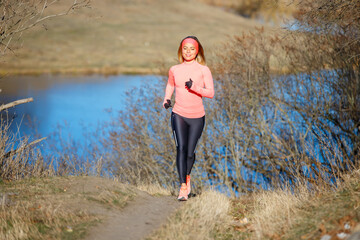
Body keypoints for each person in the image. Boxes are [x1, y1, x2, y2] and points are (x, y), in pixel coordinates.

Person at [163, 36, 214, 201]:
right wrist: (167, 99)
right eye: (185, 48)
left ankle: (187, 176)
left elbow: (211, 93)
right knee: (181, 149)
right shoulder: (174, 69)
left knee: (190, 153)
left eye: (192, 49)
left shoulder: (203, 70)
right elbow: (171, 84)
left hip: (197, 117)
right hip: (178, 114)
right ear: (181, 50)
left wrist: (195, 87)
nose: (188, 52)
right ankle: (183, 187)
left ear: (197, 50)